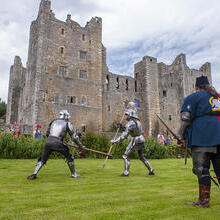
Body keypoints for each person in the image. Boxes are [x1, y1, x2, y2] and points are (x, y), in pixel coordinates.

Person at [177, 75, 220, 208]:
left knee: (201, 168)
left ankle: (203, 201)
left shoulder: (193, 97)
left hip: (202, 135)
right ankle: (203, 200)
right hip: (218, 133)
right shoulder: (216, 97)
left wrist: (180, 135)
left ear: (196, 87)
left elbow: (186, 118)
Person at [27, 110, 85, 180]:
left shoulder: (53, 122)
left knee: (43, 158)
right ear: (66, 116)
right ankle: (74, 174)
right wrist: (81, 146)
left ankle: (34, 173)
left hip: (48, 141)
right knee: (69, 156)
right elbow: (74, 137)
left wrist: (54, 140)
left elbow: (47, 133)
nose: (68, 118)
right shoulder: (67, 124)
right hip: (58, 142)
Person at [110, 109, 154, 176]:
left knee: (125, 156)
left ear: (130, 115)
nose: (126, 116)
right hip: (141, 139)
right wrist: (122, 127)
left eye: (127, 115)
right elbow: (132, 130)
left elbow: (124, 136)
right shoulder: (137, 121)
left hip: (135, 140)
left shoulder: (130, 123)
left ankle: (126, 172)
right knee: (141, 157)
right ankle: (151, 170)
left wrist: (115, 141)